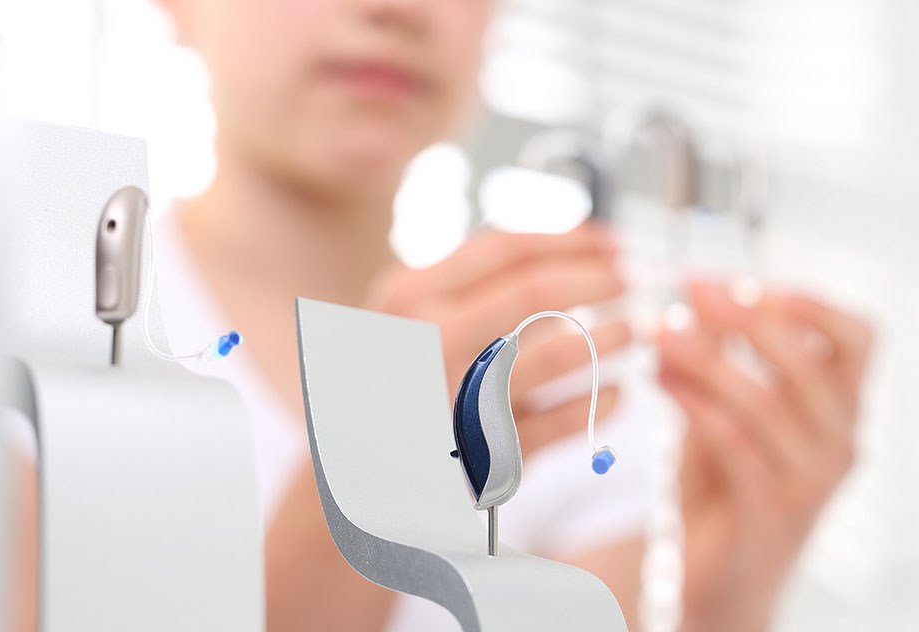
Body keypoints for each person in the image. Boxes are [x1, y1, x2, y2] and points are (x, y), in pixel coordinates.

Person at [152, 1, 874, 630]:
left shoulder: (562, 388)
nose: (399, 6)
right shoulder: (63, 325)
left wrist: (714, 612)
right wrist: (353, 489)